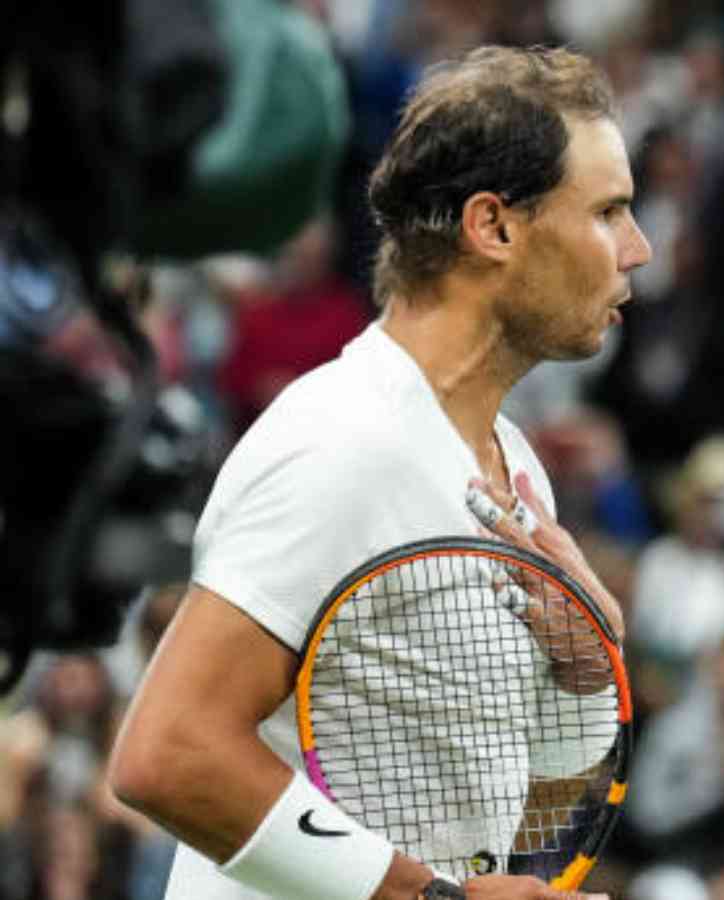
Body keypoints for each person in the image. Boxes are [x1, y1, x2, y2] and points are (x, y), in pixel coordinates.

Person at [108, 45, 650, 900]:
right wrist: (427, 898)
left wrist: (587, 667)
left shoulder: (519, 470)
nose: (638, 249)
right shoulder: (340, 443)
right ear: (494, 226)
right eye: (610, 213)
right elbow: (165, 753)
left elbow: (521, 817)